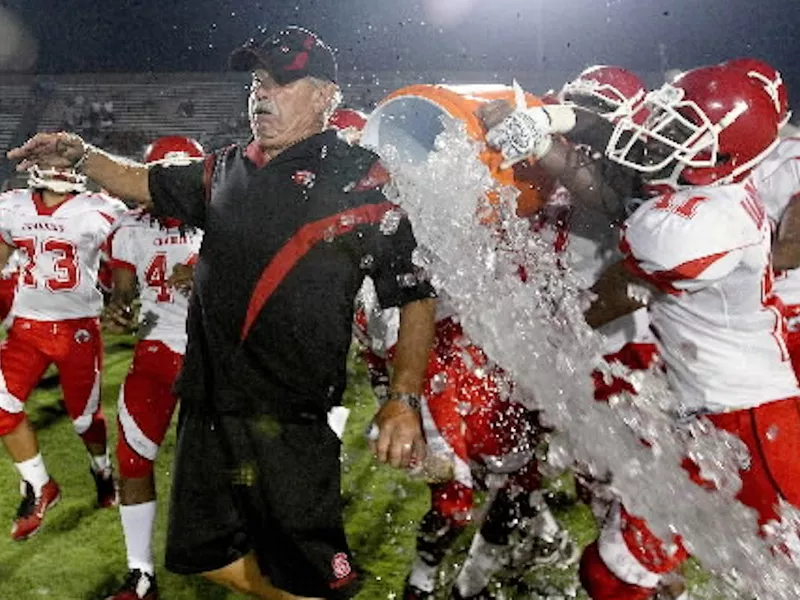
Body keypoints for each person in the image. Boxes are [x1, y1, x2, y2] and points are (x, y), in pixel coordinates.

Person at [8, 25, 436, 600]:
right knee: (205, 557)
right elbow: (144, 182)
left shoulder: (363, 178)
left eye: (282, 82)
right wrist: (81, 155)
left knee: (314, 577)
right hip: (207, 408)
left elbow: (413, 292)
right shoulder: (225, 168)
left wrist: (403, 397)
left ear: (325, 96)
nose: (262, 94)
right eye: (257, 81)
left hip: (290, 417)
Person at [579, 65, 799, 599]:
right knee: (612, 573)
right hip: (706, 419)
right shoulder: (710, 197)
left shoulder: (716, 218)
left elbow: (636, 252)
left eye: (681, 132)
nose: (660, 139)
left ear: (725, 153)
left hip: (750, 424)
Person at [0, 164, 126, 541]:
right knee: (2, 406)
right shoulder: (13, 206)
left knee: (85, 421)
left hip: (78, 330)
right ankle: (40, 486)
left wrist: (122, 297)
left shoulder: (99, 209)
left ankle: (101, 470)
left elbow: (123, 253)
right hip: (27, 328)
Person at [103, 136, 205, 600]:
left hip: (213, 356)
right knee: (131, 461)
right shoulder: (129, 227)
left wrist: (206, 273)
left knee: (237, 462)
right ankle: (141, 573)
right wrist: (118, 310)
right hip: (155, 354)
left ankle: (253, 549)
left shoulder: (220, 215)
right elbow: (123, 293)